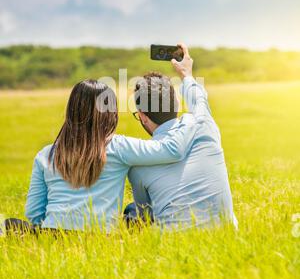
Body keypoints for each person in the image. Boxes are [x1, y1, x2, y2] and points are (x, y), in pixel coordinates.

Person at [3, 79, 198, 234]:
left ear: (71, 111)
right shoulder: (119, 146)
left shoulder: (47, 154)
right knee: (132, 210)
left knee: (9, 225)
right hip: (101, 237)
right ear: (110, 112)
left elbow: (33, 213)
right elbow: (172, 149)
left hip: (52, 234)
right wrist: (189, 117)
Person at [125, 43, 237, 229]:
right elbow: (199, 99)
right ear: (177, 102)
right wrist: (186, 74)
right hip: (227, 237)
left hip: (172, 247)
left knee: (132, 211)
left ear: (143, 116)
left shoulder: (139, 162)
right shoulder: (205, 126)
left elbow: (145, 213)